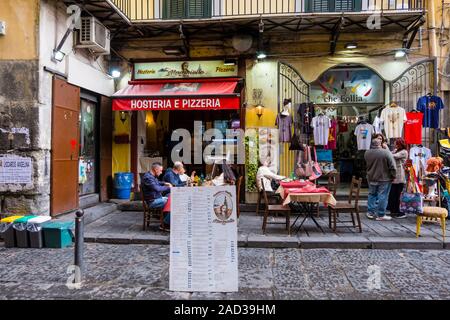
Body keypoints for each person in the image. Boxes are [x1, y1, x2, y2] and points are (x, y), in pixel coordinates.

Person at [364, 138, 397, 221]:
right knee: (383, 196)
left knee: (372, 194)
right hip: (384, 178)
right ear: (380, 144)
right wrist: (393, 176)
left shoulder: (367, 152)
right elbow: (393, 166)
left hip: (371, 177)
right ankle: (381, 214)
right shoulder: (385, 152)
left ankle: (370, 212)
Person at [142, 162, 172, 231]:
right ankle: (165, 224)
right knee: (173, 202)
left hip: (157, 198)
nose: (161, 172)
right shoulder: (147, 178)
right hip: (152, 201)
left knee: (170, 196)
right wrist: (169, 188)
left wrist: (165, 183)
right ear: (155, 169)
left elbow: (157, 182)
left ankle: (167, 219)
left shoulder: (151, 176)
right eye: (161, 170)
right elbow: (157, 188)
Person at [387, 138, 408, 218]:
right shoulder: (396, 150)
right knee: (393, 194)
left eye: (396, 143)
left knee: (398, 195)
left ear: (400, 144)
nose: (394, 145)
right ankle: (394, 210)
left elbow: (392, 156)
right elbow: (390, 154)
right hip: (394, 176)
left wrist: (386, 148)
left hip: (400, 176)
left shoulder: (404, 152)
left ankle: (400, 212)